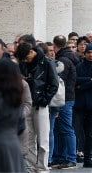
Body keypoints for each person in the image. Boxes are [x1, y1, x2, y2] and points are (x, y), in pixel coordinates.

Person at [15, 35, 59, 173]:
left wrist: (44, 100)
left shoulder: (46, 62)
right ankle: (30, 167)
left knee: (43, 138)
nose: (25, 61)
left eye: (26, 58)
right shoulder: (24, 63)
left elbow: (54, 84)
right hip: (27, 104)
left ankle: (42, 167)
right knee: (28, 138)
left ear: (31, 52)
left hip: (41, 105)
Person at [51, 35, 80, 169]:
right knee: (61, 128)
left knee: (66, 129)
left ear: (55, 46)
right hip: (67, 97)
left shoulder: (62, 60)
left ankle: (70, 158)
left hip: (64, 98)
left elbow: (59, 81)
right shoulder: (70, 58)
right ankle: (62, 157)